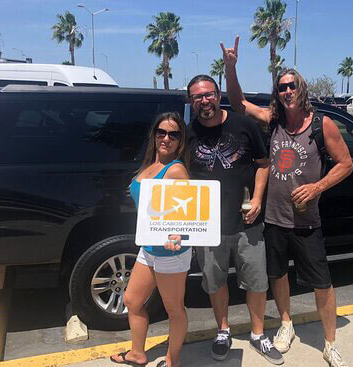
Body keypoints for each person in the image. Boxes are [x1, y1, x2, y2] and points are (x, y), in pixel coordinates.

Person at [221, 36, 353, 367]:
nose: (287, 91)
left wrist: (316, 187)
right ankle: (286, 325)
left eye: (292, 85)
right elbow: (238, 104)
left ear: (302, 88)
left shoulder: (323, 125)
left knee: (321, 283)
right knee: (278, 276)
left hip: (307, 221)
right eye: (282, 87)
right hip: (275, 219)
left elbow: (346, 164)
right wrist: (231, 68)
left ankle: (330, 343)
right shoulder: (274, 120)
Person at [186, 74, 284, 365]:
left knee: (256, 281)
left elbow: (264, 164)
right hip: (207, 226)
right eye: (197, 97)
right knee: (215, 282)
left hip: (247, 221)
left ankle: (257, 334)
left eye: (208, 94)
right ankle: (223, 331)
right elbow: (173, 171)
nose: (204, 100)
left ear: (218, 95)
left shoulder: (244, 125)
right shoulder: (188, 133)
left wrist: (257, 199)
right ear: (191, 102)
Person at [111, 112, 190, 367]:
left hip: (171, 251)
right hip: (148, 246)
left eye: (173, 134)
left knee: (174, 309)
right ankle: (137, 353)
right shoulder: (150, 164)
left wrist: (178, 237)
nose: (166, 138)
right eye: (161, 132)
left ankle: (172, 359)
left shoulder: (175, 170)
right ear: (154, 135)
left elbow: (189, 213)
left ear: (181, 140)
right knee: (132, 301)